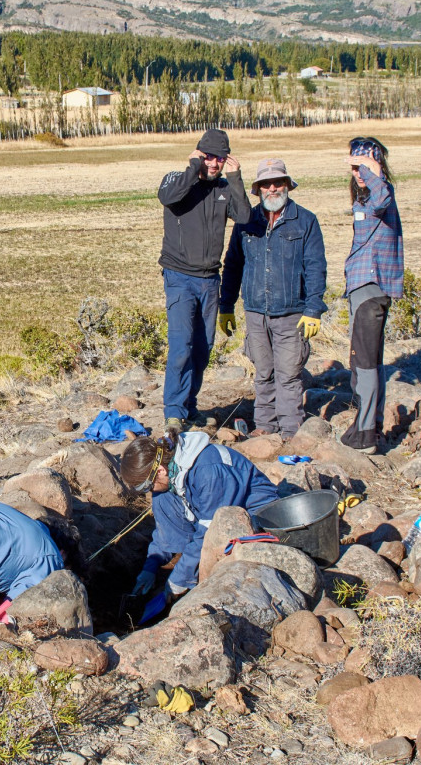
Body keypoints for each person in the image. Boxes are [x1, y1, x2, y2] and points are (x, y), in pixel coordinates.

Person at [219, 158, 326, 440]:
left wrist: (314, 308)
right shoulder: (246, 222)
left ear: (288, 185)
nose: (273, 188)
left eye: (278, 183)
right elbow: (232, 266)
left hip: (292, 313)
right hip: (256, 312)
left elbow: (316, 266)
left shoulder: (306, 221)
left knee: (289, 375)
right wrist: (226, 306)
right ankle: (265, 427)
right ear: (258, 190)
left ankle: (291, 431)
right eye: (266, 184)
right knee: (263, 372)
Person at [157, 129, 251, 432]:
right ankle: (173, 412)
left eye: (220, 159)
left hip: (210, 279)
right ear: (198, 154)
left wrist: (236, 180)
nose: (214, 164)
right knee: (181, 345)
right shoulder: (177, 179)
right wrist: (192, 168)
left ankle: (189, 407)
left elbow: (245, 217)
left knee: (202, 347)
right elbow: (167, 197)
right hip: (179, 277)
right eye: (208, 157)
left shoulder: (224, 188)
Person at [120, 431, 278, 600]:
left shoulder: (209, 471)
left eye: (146, 487)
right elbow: (165, 530)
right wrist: (150, 567)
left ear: (159, 471)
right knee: (161, 498)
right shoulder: (170, 474)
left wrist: (179, 579)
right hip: (208, 511)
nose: (148, 492)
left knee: (224, 562)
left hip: (255, 513)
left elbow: (208, 532)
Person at [341, 136, 403, 454]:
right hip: (364, 288)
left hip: (371, 288)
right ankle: (370, 426)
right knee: (371, 363)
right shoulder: (365, 200)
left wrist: (374, 171)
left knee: (363, 364)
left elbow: (382, 199)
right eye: (354, 166)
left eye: (363, 165)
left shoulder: (380, 196)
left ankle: (365, 432)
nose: (358, 173)